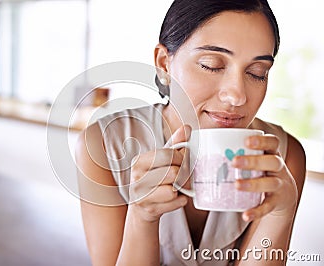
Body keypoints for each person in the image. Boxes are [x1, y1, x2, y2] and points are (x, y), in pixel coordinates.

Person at [75, 0, 306, 265]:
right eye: (211, 64)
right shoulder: (104, 145)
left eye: (257, 72)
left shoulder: (282, 158)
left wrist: (280, 214)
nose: (237, 96)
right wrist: (141, 217)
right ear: (164, 65)